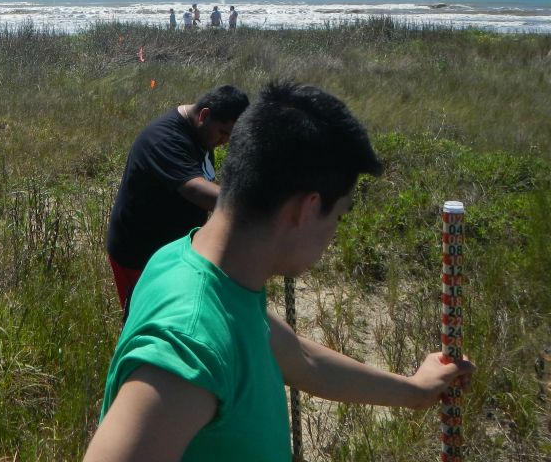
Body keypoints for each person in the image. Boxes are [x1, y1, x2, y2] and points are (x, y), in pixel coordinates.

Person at [84, 82, 475, 462]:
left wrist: (415, 391)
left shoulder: (186, 262)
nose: (333, 235)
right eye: (337, 217)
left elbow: (303, 360)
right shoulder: (190, 345)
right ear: (306, 210)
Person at [106, 85, 250, 311]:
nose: (224, 141)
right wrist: (253, 205)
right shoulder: (164, 138)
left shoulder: (202, 134)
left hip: (173, 253)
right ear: (204, 115)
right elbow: (195, 189)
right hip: (140, 255)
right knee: (147, 320)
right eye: (223, 132)